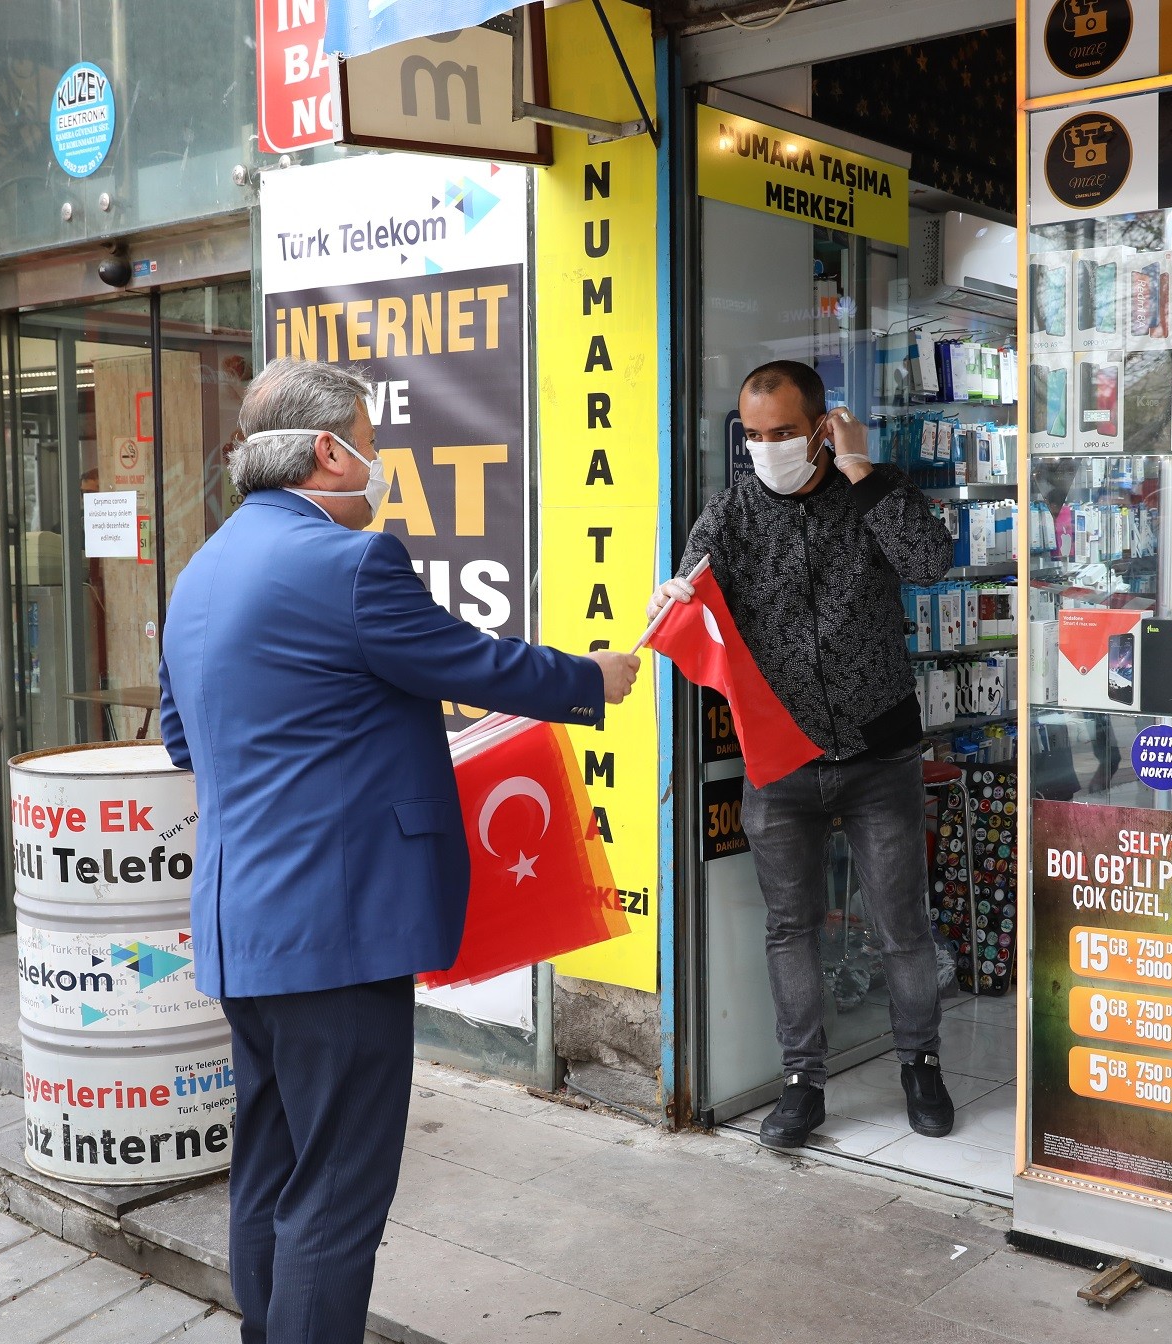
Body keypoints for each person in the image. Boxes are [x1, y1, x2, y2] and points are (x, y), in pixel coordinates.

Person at [158, 359, 639, 1343]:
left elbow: (182, 739)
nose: (377, 465)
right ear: (328, 451)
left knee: (274, 1167)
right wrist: (592, 676)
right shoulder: (350, 564)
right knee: (336, 1194)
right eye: (371, 445)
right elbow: (477, 664)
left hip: (242, 927)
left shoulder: (201, 569)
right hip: (334, 934)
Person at [648, 359, 956, 1149]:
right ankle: (801, 1083)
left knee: (900, 926)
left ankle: (920, 1062)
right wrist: (672, 599)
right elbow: (688, 599)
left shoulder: (870, 493)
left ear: (822, 425)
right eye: (753, 435)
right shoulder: (732, 515)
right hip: (780, 763)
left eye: (784, 432)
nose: (768, 448)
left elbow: (928, 563)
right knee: (791, 928)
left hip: (877, 754)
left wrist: (861, 468)